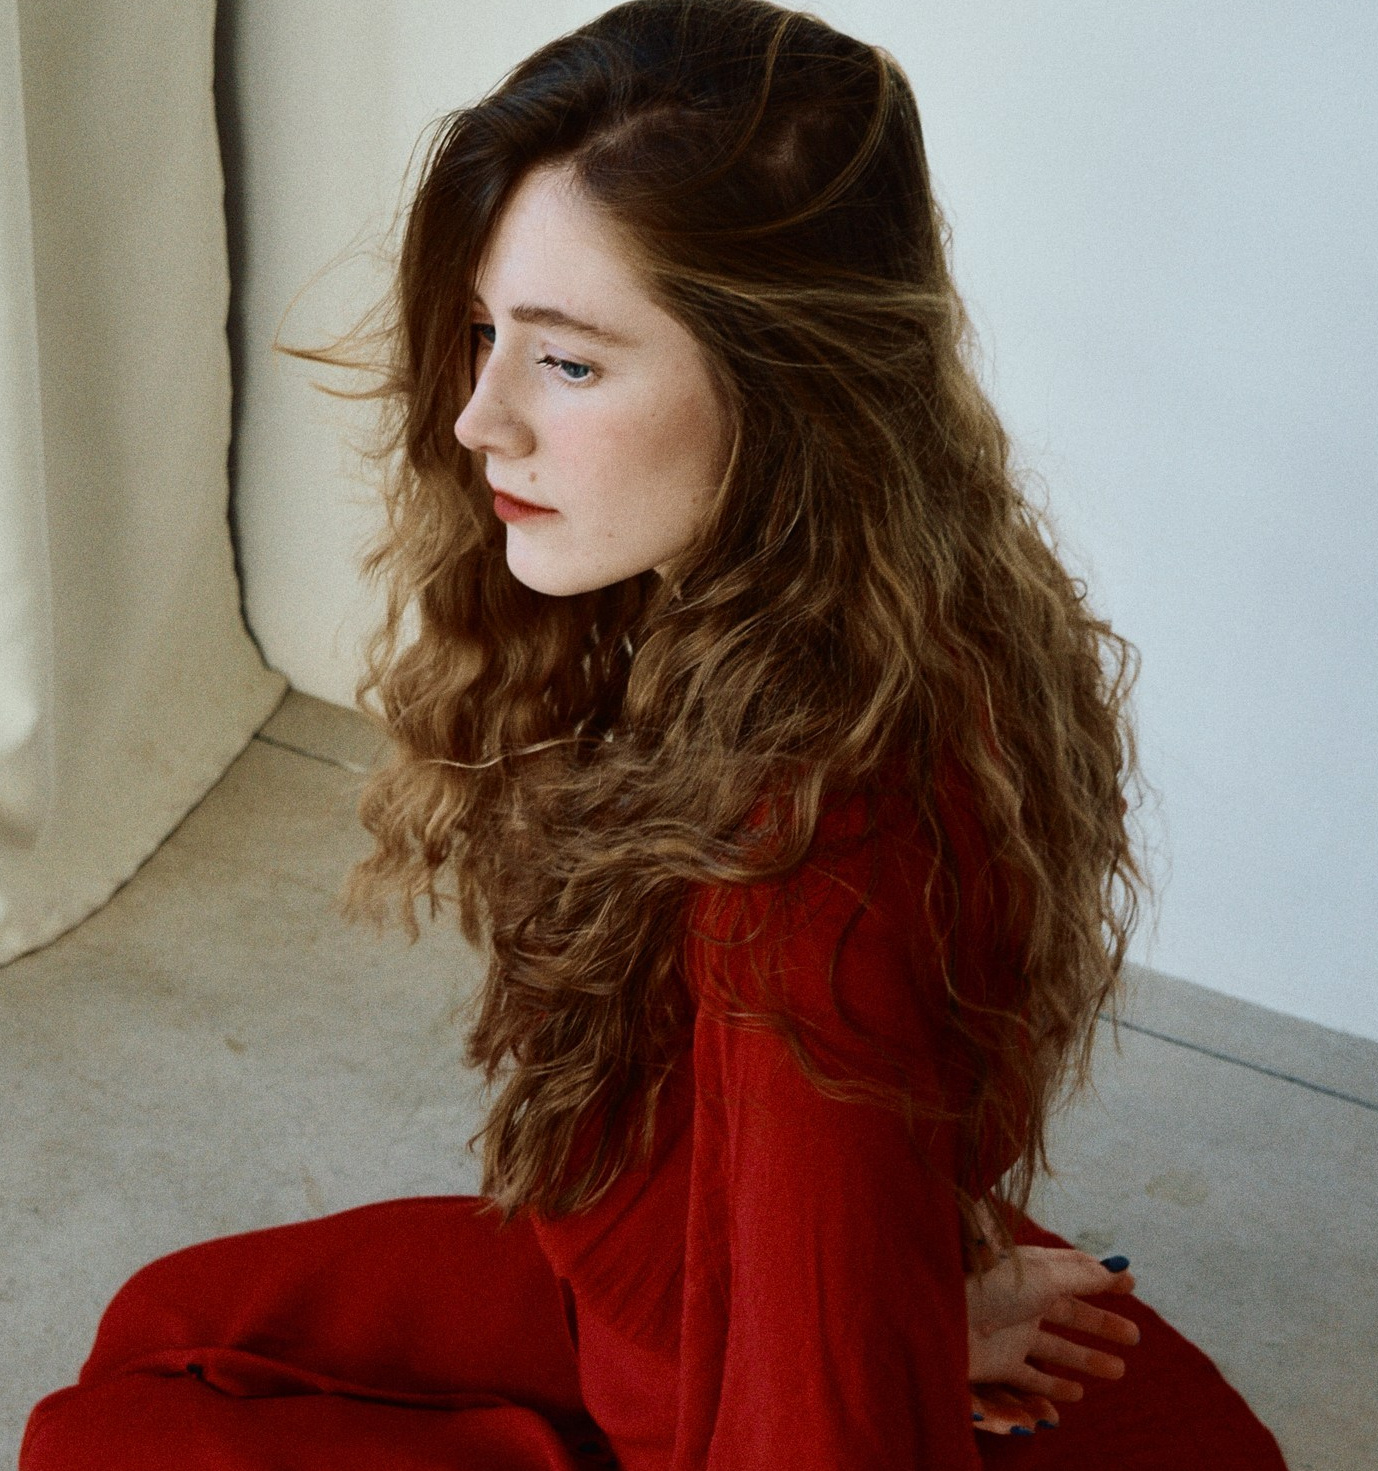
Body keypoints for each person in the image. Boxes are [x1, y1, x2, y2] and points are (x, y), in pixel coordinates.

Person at [21, 2, 1289, 1467]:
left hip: (706, 1400)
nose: (478, 420)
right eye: (484, 333)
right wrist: (905, 1295)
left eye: (568, 364)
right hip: (666, 1286)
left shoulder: (808, 863)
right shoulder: (833, 591)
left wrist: (865, 1329)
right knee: (164, 1319)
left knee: (97, 1442)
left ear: (788, 386)